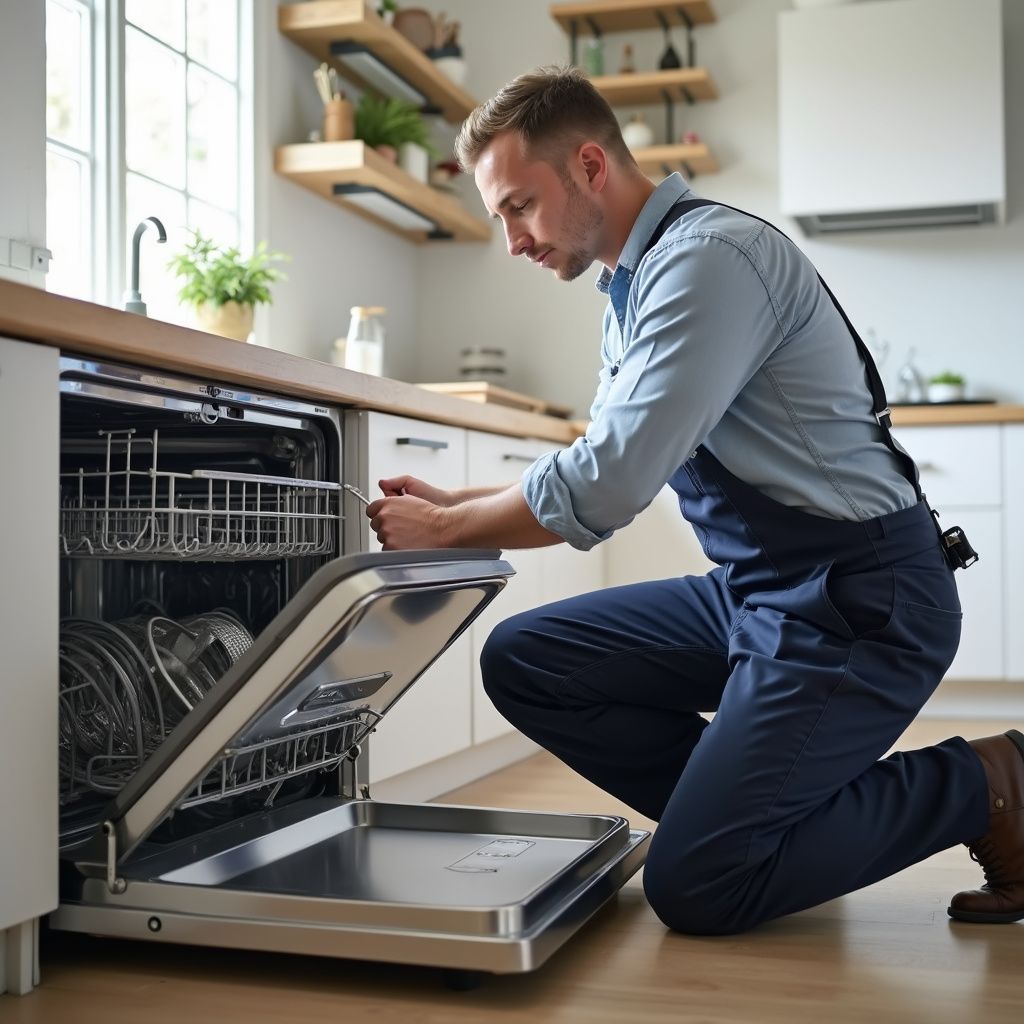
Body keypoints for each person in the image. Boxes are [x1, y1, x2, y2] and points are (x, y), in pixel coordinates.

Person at [364, 66, 1024, 934]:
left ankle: (985, 784)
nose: (513, 240)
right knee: (528, 658)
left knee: (700, 888)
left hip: (863, 599)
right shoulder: (632, 286)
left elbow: (610, 482)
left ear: (590, 167)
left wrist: (448, 527)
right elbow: (601, 452)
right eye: (500, 218)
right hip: (764, 591)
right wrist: (464, 498)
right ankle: (749, 821)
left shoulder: (708, 261)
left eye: (519, 206)